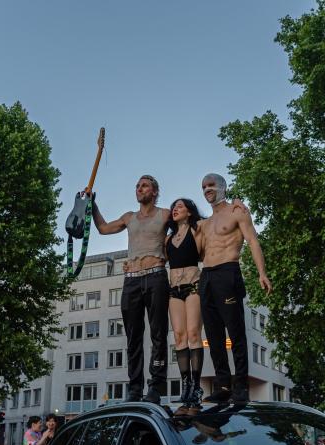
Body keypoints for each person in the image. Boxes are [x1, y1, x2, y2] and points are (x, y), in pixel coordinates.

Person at [90, 175, 171, 403]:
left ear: (154, 191)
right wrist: (92, 204)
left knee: (158, 335)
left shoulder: (165, 214)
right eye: (137, 186)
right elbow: (103, 229)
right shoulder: (129, 217)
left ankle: (155, 387)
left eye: (144, 185)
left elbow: (186, 226)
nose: (139, 189)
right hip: (132, 280)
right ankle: (135, 389)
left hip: (156, 277)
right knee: (133, 338)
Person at [196, 173, 272, 403]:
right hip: (206, 276)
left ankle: (241, 387)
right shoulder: (204, 223)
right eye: (203, 186)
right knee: (213, 334)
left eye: (211, 185)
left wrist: (262, 273)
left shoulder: (237, 211)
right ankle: (222, 386)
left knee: (236, 332)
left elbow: (253, 241)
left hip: (228, 272)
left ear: (222, 187)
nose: (207, 189)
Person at [165, 198, 206, 414]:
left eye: (179, 206)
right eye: (173, 207)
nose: (175, 209)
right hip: (174, 289)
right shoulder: (168, 239)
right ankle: (186, 384)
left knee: (193, 334)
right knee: (179, 336)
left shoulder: (198, 230)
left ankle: (197, 386)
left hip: (193, 286)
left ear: (189, 211)